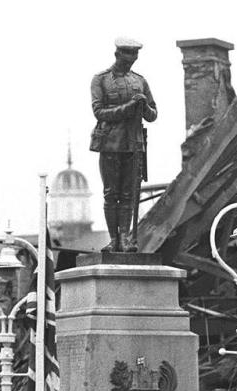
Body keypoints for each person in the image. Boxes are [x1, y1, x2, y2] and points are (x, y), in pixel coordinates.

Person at [90, 37, 157, 253]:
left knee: (129, 194)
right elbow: (98, 112)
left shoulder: (140, 81)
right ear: (118, 54)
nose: (132, 60)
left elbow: (153, 114)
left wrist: (143, 105)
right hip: (110, 142)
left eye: (135, 56)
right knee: (111, 193)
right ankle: (113, 239)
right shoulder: (101, 79)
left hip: (133, 143)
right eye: (128, 55)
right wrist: (128, 108)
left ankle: (126, 239)